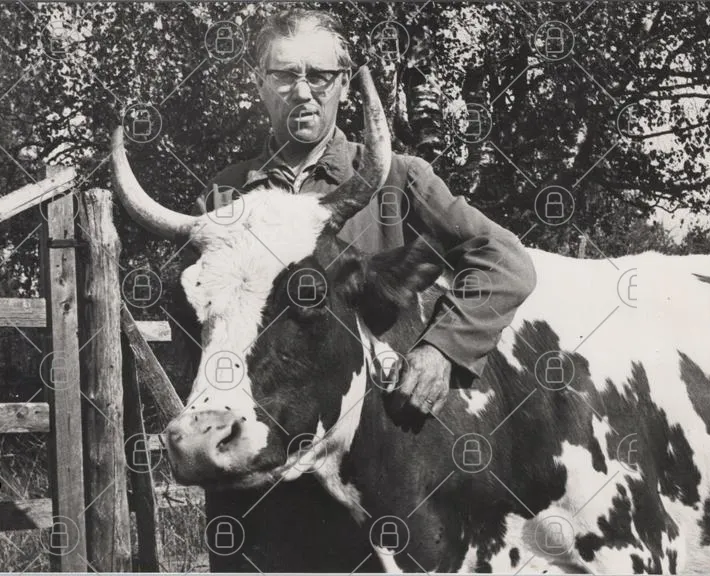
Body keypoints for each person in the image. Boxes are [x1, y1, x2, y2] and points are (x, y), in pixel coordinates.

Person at [178, 8, 536, 571]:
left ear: (344, 84)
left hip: (383, 479)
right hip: (258, 479)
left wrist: (443, 349)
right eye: (284, 75)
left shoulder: (398, 177)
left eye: (320, 75)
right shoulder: (225, 197)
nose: (303, 91)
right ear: (259, 84)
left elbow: (505, 260)